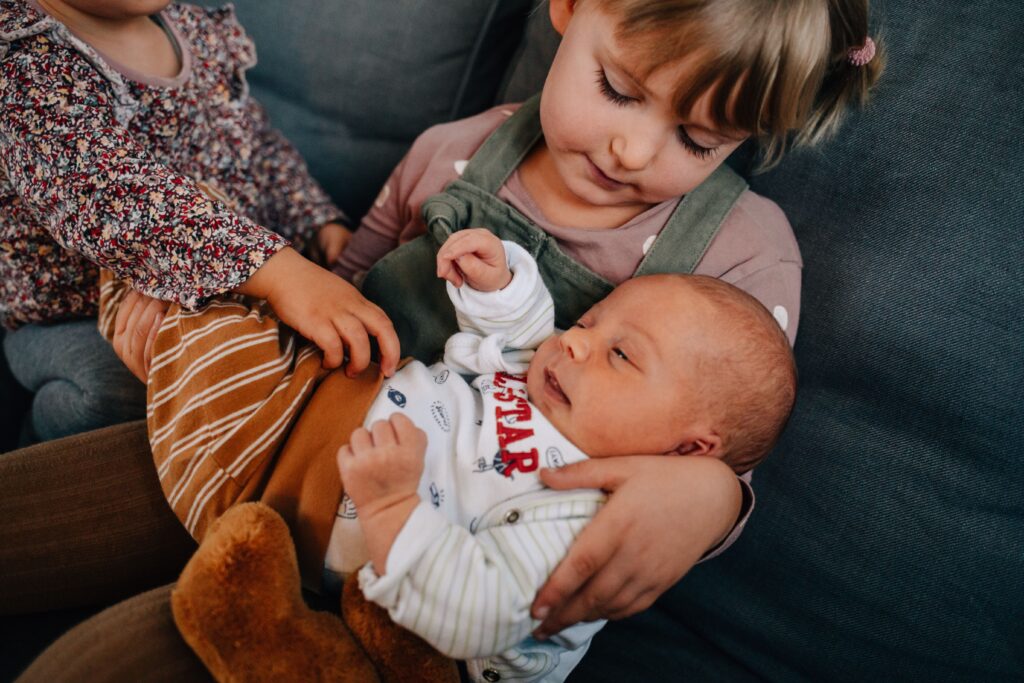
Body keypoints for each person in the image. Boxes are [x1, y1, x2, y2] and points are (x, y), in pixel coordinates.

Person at [108, 228, 795, 681]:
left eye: (619, 352)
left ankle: (139, 299)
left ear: (688, 448)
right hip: (308, 422)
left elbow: (484, 608)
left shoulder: (590, 517)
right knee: (213, 289)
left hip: (324, 520)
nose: (576, 341)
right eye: (591, 320)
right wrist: (500, 286)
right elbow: (528, 335)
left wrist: (391, 504)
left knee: (198, 310)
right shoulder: (558, 389)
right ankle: (157, 304)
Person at [0, 0, 398, 442]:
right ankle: (36, 478)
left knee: (277, 364)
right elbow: (108, 196)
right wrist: (278, 272)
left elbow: (255, 143)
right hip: (75, 313)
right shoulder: (26, 61)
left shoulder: (192, 23)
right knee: (111, 389)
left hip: (229, 273)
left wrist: (314, 220)